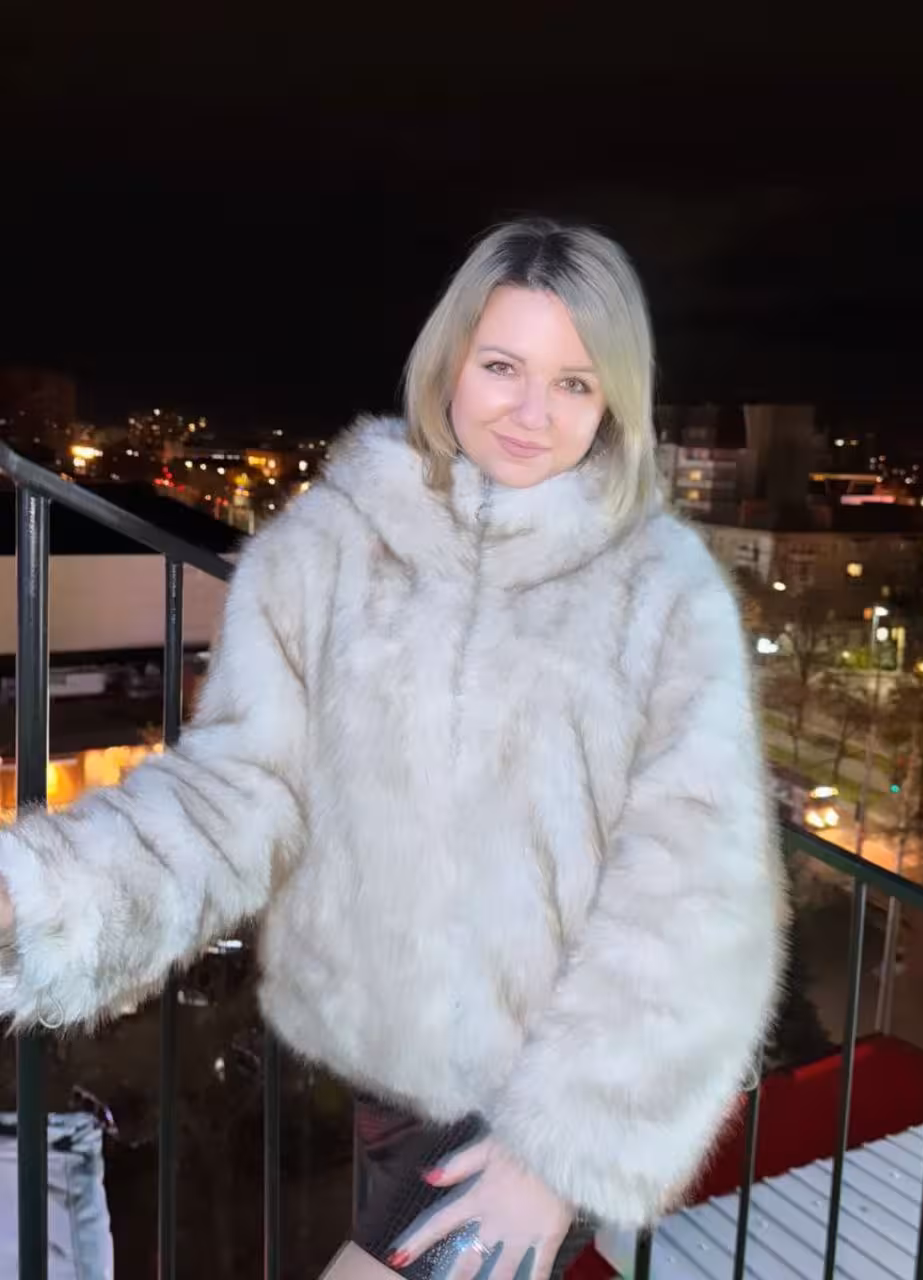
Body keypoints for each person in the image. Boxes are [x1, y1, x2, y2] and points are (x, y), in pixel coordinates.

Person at [0, 220, 785, 1280]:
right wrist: (35, 896)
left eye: (574, 382)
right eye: (502, 366)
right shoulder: (329, 546)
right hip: (379, 1085)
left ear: (614, 402)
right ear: (448, 359)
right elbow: (235, 793)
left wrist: (561, 1151)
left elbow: (697, 892)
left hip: (534, 1101)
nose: (532, 412)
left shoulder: (662, 592)